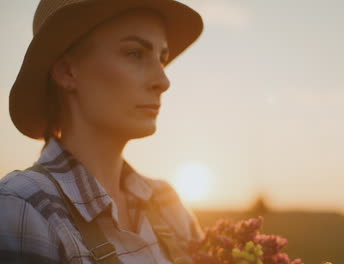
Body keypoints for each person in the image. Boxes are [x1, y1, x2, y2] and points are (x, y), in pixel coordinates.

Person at [0, 0, 205, 263]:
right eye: (135, 53)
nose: (163, 82)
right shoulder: (25, 207)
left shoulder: (167, 203)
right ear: (66, 71)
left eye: (162, 59)